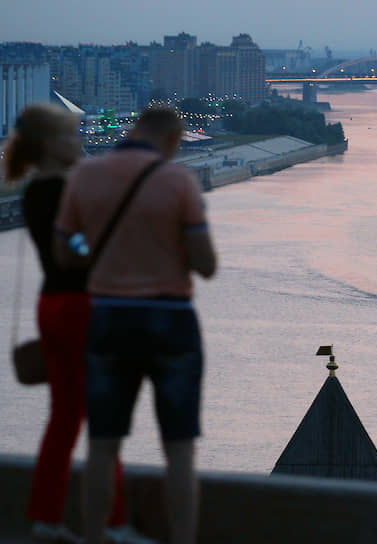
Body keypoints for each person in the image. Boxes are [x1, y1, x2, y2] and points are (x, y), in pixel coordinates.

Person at [54, 105, 217, 544]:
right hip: (171, 320)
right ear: (171, 139)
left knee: (103, 445)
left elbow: (64, 251)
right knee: (179, 450)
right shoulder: (178, 180)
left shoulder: (85, 176)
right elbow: (205, 265)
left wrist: (97, 248)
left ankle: (93, 538)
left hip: (108, 317)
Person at [3, 104, 152, 544]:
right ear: (50, 145)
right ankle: (113, 526)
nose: (81, 142)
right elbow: (83, 248)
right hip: (85, 308)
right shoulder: (65, 192)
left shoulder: (34, 192)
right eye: (72, 136)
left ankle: (46, 521)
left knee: (64, 420)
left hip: (52, 307)